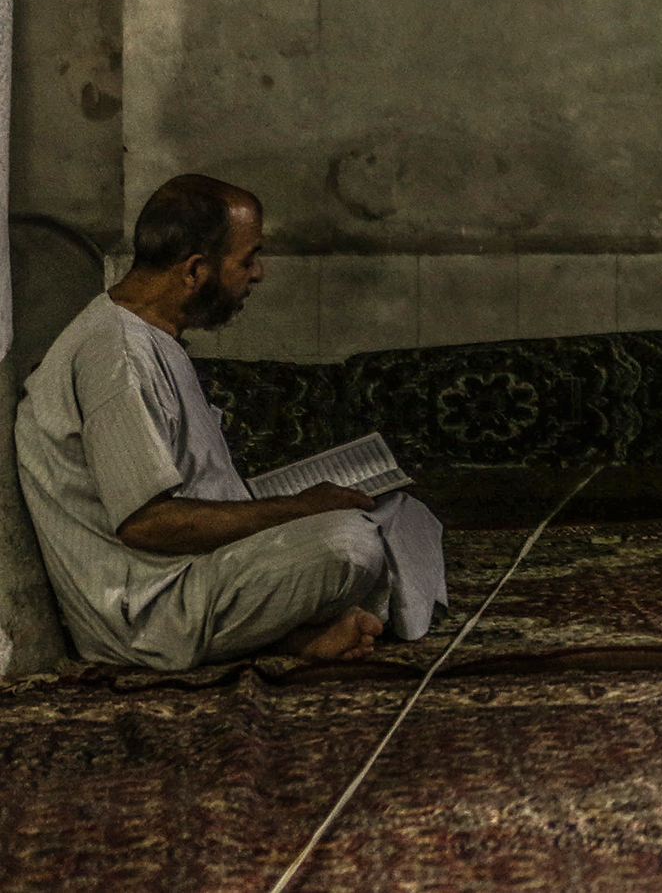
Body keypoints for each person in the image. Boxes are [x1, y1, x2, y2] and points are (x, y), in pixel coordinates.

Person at [16, 175, 447, 670]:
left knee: (393, 509)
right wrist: (296, 509)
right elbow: (145, 524)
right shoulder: (117, 354)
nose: (258, 274)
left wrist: (295, 505)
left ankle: (290, 635)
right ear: (196, 271)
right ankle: (281, 635)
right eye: (247, 259)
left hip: (192, 572)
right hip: (148, 608)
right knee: (350, 547)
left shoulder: (148, 336)